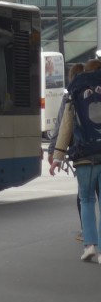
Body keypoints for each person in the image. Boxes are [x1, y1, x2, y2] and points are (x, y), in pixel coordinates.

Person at [50, 58, 101, 262]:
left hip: (83, 156)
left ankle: (90, 245)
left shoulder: (76, 91)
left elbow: (66, 126)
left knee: (86, 200)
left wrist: (57, 156)